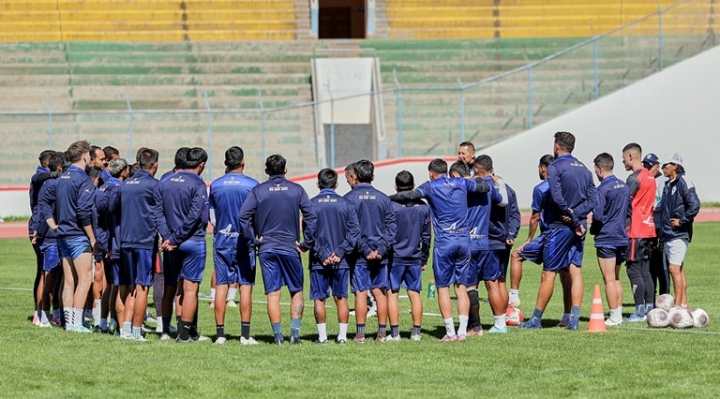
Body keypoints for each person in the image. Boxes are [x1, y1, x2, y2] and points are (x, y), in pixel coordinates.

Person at [389, 159, 501, 341]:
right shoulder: (462, 183)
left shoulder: (431, 186)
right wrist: (487, 178)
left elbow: (409, 196)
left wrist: (387, 198)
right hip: (464, 242)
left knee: (442, 287)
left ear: (431, 174)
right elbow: (483, 187)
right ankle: (463, 331)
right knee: (462, 287)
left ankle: (450, 332)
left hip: (444, 243)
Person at [519, 131, 596, 330]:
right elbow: (593, 200)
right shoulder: (585, 169)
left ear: (556, 147)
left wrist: (569, 215)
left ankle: (535, 320)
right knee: (575, 271)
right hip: (579, 226)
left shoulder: (554, 167)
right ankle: (574, 319)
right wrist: (577, 216)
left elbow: (556, 196)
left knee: (549, 274)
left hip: (560, 227)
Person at [239, 154, 317, 345]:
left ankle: (278, 336)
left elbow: (243, 216)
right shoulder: (296, 189)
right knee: (296, 291)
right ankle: (295, 334)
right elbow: (312, 217)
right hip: (290, 246)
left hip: (267, 248)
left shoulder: (259, 190)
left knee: (273, 293)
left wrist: (254, 241)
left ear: (266, 171)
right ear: (285, 169)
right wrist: (307, 243)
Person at [45, 140, 98, 333]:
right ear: (85, 156)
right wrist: (92, 237)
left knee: (69, 280)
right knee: (84, 279)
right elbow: (84, 212)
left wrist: (52, 224)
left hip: (63, 235)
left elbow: (45, 200)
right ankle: (75, 324)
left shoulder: (61, 178)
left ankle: (69, 323)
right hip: (78, 234)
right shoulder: (83, 179)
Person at [208, 146, 259, 345]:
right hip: (244, 241)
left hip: (222, 240)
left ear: (225, 163)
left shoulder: (216, 185)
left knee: (221, 286)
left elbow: (212, 216)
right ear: (243, 161)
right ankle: (245, 335)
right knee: (245, 287)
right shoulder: (252, 184)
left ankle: (220, 335)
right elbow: (256, 215)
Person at [119, 148, 170, 341]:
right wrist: (166, 236)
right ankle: (137, 331)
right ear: (155, 164)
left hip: (125, 240)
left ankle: (126, 329)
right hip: (144, 241)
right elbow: (158, 214)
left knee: (131, 286)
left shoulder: (125, 184)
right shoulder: (154, 186)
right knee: (143, 287)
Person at [160, 147, 210, 343]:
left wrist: (168, 237)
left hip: (170, 241)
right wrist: (176, 238)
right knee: (189, 289)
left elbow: (158, 212)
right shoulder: (197, 183)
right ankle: (184, 335)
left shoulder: (166, 181)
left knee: (171, 287)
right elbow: (196, 215)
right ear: (202, 164)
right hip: (191, 241)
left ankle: (165, 330)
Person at [343, 160, 396, 343]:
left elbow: (351, 230)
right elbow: (391, 228)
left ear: (355, 176)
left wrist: (366, 250)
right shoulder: (383, 198)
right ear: (373, 176)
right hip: (381, 254)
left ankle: (360, 334)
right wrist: (380, 249)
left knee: (360, 292)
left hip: (359, 254)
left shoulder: (348, 199)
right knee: (380, 292)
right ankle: (381, 333)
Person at [308, 168, 360, 344]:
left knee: (319, 298)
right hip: (342, 260)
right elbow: (354, 232)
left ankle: (322, 337)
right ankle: (342, 336)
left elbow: (309, 234)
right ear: (336, 184)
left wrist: (323, 254)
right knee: (341, 297)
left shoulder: (311, 204)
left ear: (318, 184)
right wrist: (339, 253)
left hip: (318, 260)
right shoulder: (346, 204)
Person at [463, 157, 509, 335]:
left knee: (470, 286)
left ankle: (474, 325)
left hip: (472, 240)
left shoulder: (469, 185)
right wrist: (500, 181)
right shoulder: (492, 186)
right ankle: (500, 324)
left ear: (477, 170)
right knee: (493, 283)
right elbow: (504, 201)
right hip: (490, 242)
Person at [386, 170, 430, 342]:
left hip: (395, 256)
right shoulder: (423, 207)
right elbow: (426, 236)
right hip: (414, 255)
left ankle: (395, 333)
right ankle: (416, 333)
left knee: (392, 293)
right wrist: (424, 258)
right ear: (413, 186)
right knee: (414, 294)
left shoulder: (390, 205)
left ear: (396, 186)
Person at [508, 154, 554, 308]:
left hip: (549, 236)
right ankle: (569, 315)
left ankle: (514, 296)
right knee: (567, 273)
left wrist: (529, 239)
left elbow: (535, 217)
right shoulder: (565, 185)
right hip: (566, 234)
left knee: (516, 255)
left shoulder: (541, 188)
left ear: (543, 168)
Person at [589, 153, 629, 326]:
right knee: (616, 277)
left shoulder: (602, 189)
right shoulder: (624, 186)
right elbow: (629, 211)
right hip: (621, 235)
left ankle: (614, 316)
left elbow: (597, 215)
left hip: (607, 237)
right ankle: (618, 312)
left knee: (609, 279)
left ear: (599, 169)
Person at [622, 143, 657, 322]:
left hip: (636, 230)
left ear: (630, 157)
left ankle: (639, 311)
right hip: (649, 229)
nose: (623, 162)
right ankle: (649, 309)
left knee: (633, 270)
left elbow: (626, 204)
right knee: (645, 271)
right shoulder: (651, 177)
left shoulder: (634, 178)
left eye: (623, 158)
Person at [660, 153, 700, 309]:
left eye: (666, 165)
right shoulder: (669, 184)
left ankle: (676, 307)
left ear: (675, 166)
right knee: (679, 268)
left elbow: (694, 205)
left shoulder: (684, 182)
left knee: (674, 269)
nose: (663, 168)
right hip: (670, 233)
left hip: (678, 233)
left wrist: (682, 221)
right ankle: (683, 304)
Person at [95, 157, 130, 333]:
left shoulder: (101, 188)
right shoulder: (120, 189)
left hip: (105, 242)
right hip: (117, 243)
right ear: (124, 172)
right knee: (119, 284)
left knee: (110, 284)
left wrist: (102, 242)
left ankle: (103, 323)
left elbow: (98, 218)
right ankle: (118, 326)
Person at [486, 157, 519, 334]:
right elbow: (515, 215)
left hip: (491, 241)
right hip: (505, 241)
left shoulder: (487, 190)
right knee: (501, 281)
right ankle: (504, 318)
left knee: (491, 282)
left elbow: (484, 217)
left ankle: (499, 324)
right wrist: (511, 234)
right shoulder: (510, 190)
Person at [34, 152, 65, 327]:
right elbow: (44, 210)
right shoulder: (51, 184)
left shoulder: (54, 183)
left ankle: (55, 315)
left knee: (58, 278)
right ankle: (43, 316)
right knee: (49, 277)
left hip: (56, 237)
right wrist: (40, 231)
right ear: (59, 168)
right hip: (51, 238)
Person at [29, 149, 55, 322]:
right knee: (45, 272)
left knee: (44, 272)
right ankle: (40, 312)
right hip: (41, 227)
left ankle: (42, 312)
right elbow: (38, 178)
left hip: (40, 226)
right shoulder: (40, 177)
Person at [642, 153, 669, 296]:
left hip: (659, 227)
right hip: (649, 228)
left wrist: (646, 207)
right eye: (645, 165)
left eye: (650, 165)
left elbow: (660, 203)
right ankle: (651, 297)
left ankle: (665, 296)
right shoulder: (645, 179)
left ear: (657, 166)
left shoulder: (662, 181)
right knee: (650, 265)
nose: (647, 168)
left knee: (662, 265)